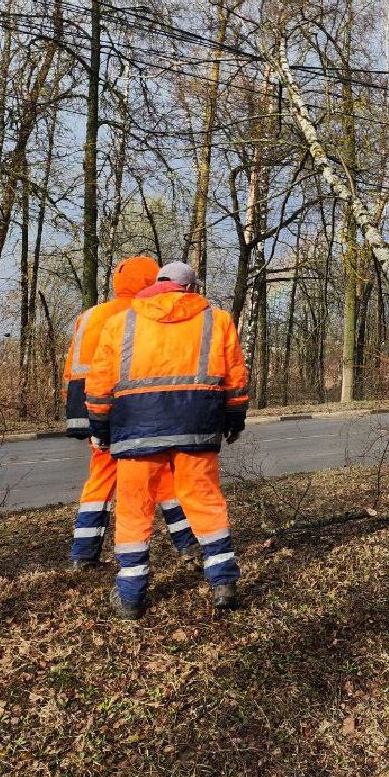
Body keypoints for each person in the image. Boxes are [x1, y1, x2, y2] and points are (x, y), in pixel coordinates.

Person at [84, 261, 249, 620]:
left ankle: (130, 597)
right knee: (205, 502)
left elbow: (98, 384)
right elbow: (235, 378)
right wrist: (234, 420)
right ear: (189, 288)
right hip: (197, 426)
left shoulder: (121, 322)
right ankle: (223, 582)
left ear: (157, 283)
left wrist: (100, 429)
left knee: (134, 509)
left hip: (136, 429)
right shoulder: (217, 320)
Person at [62, 256, 197, 570]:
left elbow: (71, 368)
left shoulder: (89, 315)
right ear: (151, 282)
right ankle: (188, 542)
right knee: (161, 472)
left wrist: (82, 411)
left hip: (88, 406)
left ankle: (83, 554)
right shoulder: (141, 314)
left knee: (100, 477)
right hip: (128, 408)